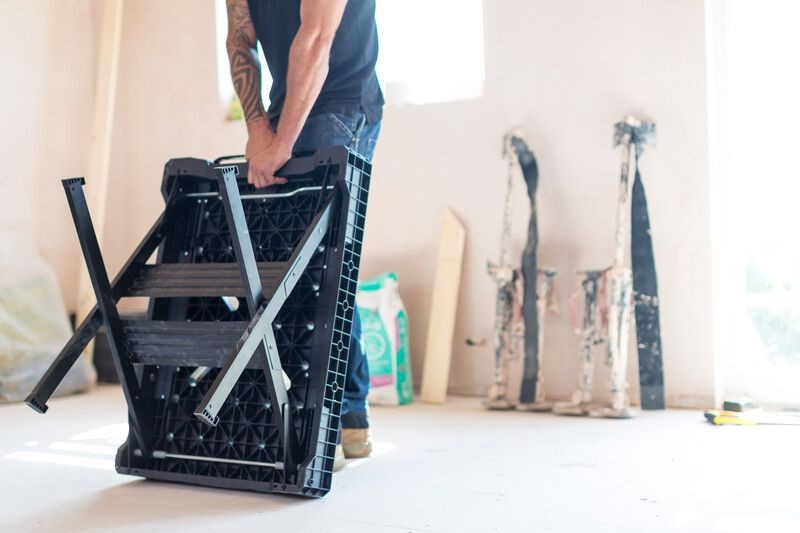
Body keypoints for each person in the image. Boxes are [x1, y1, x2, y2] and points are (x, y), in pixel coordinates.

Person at [225, 0, 384, 466]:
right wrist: (258, 128)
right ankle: (348, 416)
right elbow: (239, 38)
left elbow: (316, 38)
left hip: (340, 102)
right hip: (288, 110)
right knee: (309, 265)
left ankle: (322, 423)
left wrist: (281, 142)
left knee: (317, 267)